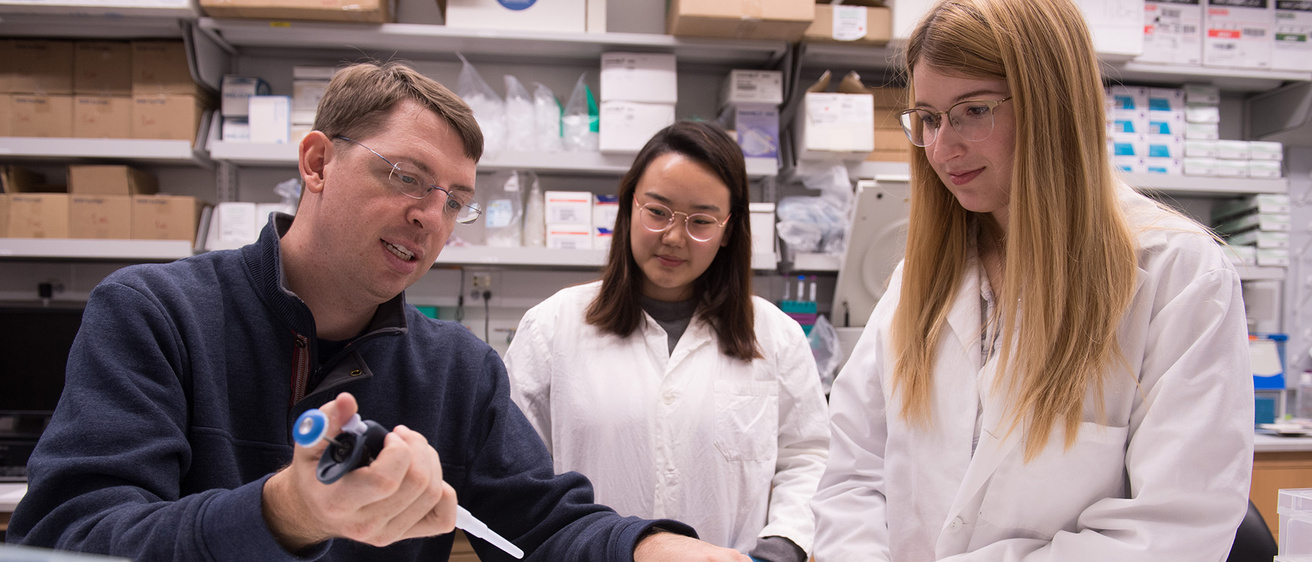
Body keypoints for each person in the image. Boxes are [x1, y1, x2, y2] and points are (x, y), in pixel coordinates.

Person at [6, 61, 749, 562]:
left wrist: (651, 548)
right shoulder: (155, 316)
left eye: (455, 199)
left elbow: (545, 526)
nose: (431, 215)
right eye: (406, 176)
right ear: (318, 162)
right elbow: (69, 537)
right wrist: (284, 512)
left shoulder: (458, 373)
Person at [810, 0, 1254, 560]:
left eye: (972, 110)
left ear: (1053, 106)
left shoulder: (1177, 274)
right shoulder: (918, 282)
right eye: (927, 117)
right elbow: (852, 474)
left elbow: (1173, 528)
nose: (942, 149)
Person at [504, 121, 831, 562]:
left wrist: (782, 546)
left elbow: (807, 458)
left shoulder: (775, 335)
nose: (675, 238)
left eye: (701, 221)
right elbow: (516, 478)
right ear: (629, 205)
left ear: (728, 230)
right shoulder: (551, 327)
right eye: (657, 212)